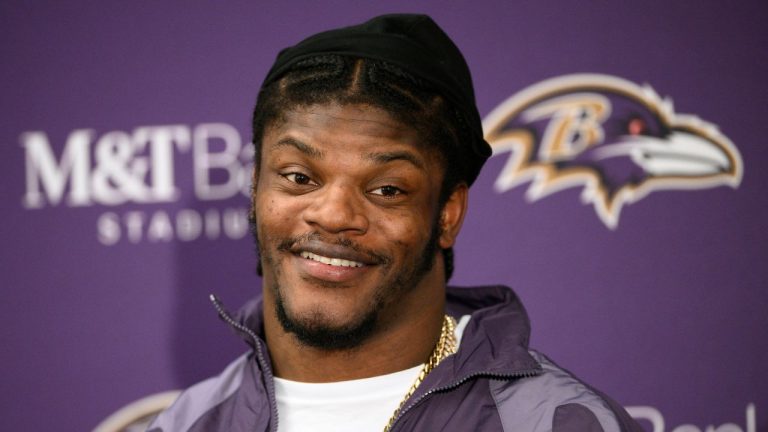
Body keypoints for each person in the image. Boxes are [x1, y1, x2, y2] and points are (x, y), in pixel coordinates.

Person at [148, 14, 642, 432]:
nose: (334, 214)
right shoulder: (185, 422)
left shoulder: (555, 421)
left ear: (447, 214)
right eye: (299, 177)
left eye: (387, 189)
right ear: (256, 189)